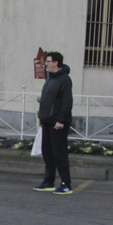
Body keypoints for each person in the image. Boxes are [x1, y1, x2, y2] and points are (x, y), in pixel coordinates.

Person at [33, 51, 74, 195]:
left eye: (48, 61)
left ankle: (66, 184)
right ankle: (48, 182)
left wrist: (61, 120)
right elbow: (45, 100)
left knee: (59, 154)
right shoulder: (50, 79)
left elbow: (67, 102)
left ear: (56, 63)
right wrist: (41, 117)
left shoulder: (64, 80)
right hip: (47, 121)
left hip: (58, 123)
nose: (46, 64)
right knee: (48, 153)